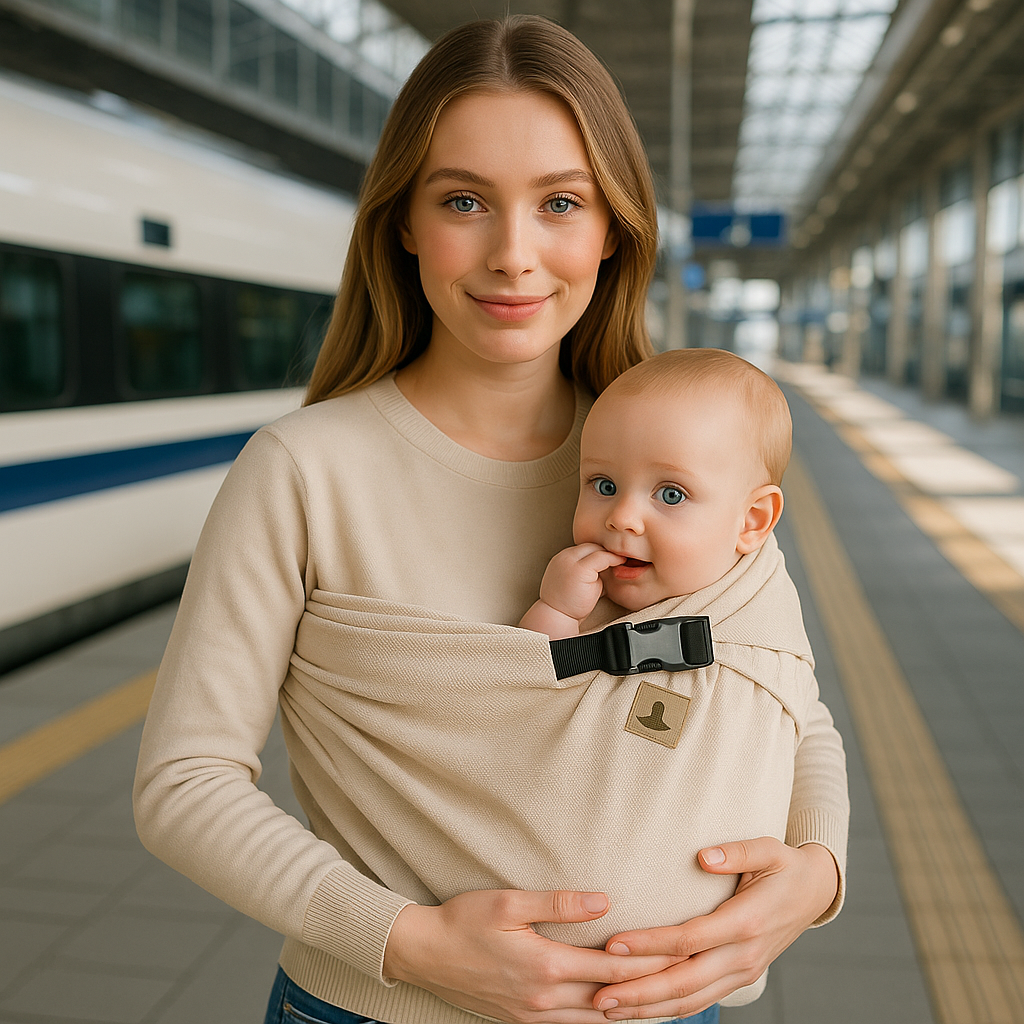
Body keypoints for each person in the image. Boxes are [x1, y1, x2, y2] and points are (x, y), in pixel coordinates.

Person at [133, 15, 848, 1024]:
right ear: (405, 223)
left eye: (560, 202)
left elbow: (789, 705)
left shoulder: (690, 468)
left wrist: (815, 874)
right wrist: (407, 944)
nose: (515, 255)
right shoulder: (302, 472)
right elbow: (184, 784)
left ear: (612, 231)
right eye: (464, 200)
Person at [519, 349, 843, 1007]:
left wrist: (821, 863)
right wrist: (554, 612)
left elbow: (803, 720)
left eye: (670, 494)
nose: (623, 517)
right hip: (540, 974)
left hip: (684, 986)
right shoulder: (592, 597)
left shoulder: (755, 615)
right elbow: (525, 704)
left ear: (752, 522)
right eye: (602, 485)